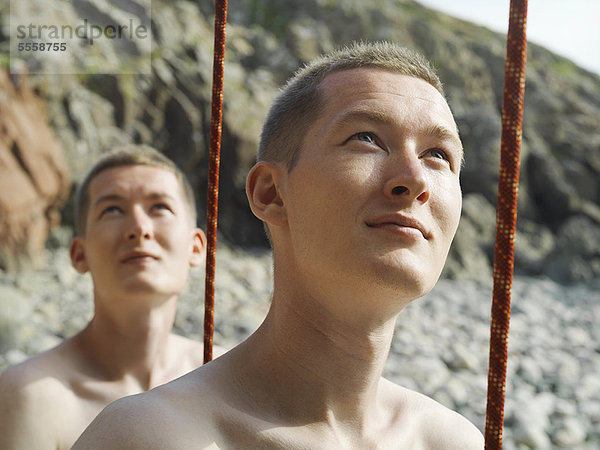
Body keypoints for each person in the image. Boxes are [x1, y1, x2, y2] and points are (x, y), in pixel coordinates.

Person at [74, 42, 484, 448]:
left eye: (437, 154)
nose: (414, 180)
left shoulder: (454, 441)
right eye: (367, 138)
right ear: (270, 193)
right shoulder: (147, 436)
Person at [0, 145, 224, 449]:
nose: (139, 228)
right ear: (80, 254)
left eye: (159, 207)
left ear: (196, 247)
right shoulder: (30, 396)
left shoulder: (228, 376)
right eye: (113, 210)